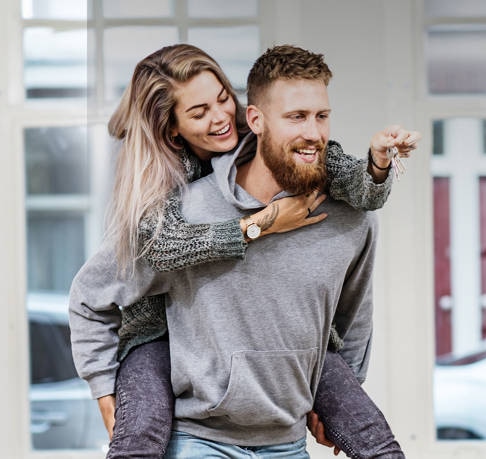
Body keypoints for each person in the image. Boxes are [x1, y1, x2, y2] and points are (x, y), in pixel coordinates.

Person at [73, 43, 415, 458]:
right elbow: (139, 263)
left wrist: (377, 166)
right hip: (160, 341)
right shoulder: (172, 197)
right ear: (172, 129)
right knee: (137, 440)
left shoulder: (332, 191)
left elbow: (353, 314)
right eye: (199, 112)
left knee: (379, 445)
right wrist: (259, 224)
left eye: (223, 99)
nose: (220, 117)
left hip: (286, 427)